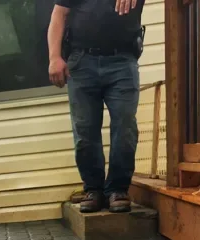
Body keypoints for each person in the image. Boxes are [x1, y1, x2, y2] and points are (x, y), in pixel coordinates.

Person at [48, 0, 144, 214]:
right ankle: (94, 190)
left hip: (122, 61)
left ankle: (117, 189)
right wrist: (54, 57)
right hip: (82, 61)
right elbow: (59, 15)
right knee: (84, 130)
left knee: (125, 125)